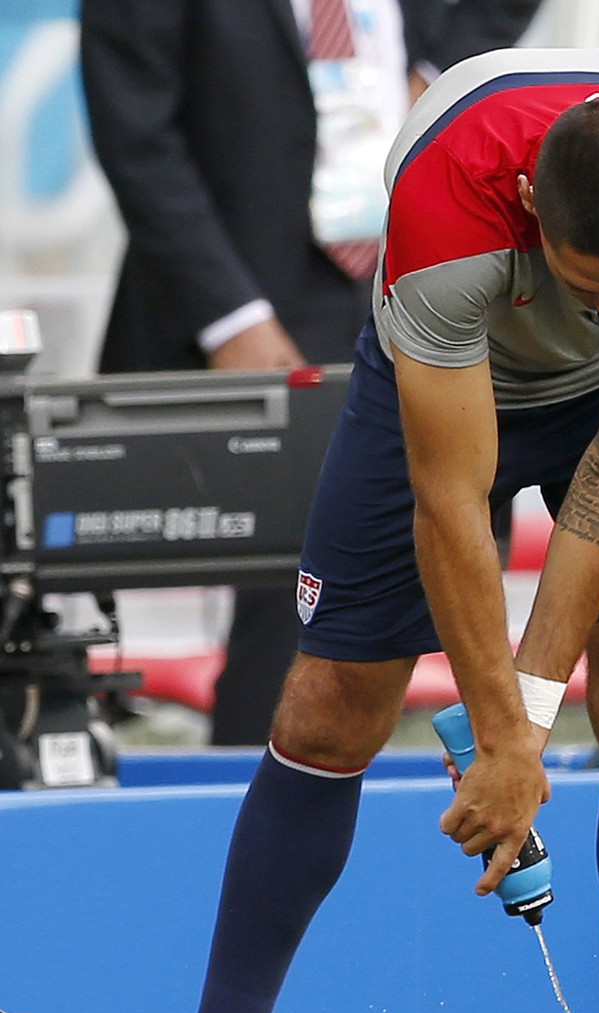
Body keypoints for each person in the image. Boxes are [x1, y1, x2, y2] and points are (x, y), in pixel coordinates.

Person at [82, 45, 599, 1013]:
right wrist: (498, 733)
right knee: (325, 709)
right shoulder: (449, 205)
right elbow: (452, 501)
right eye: (581, 279)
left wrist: (526, 713)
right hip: (456, 387)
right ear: (523, 213)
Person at [79, 0, 542, 745]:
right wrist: (230, 316)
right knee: (293, 584)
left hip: (414, 260)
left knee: (459, 535)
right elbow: (137, 136)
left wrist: (440, 71)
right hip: (252, 292)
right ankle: (260, 802)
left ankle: (478, 771)